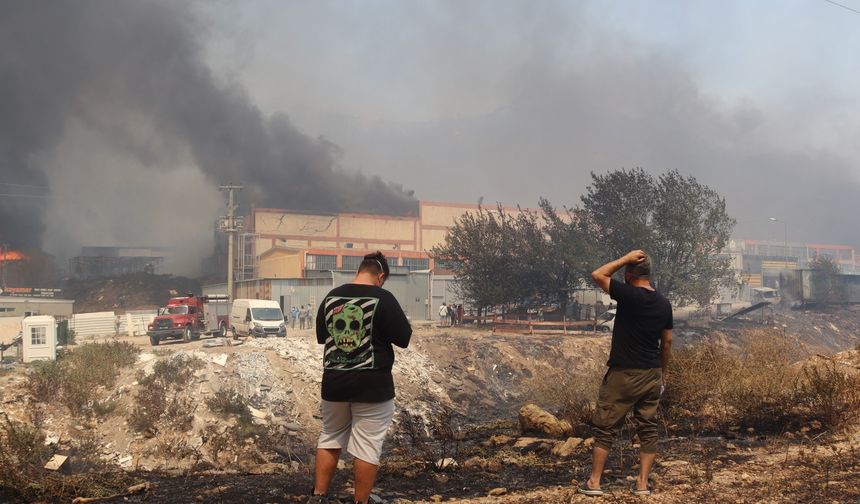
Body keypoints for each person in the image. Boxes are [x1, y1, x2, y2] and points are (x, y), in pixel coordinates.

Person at [309, 251, 412, 504]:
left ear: (359, 270)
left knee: (330, 436)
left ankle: (318, 496)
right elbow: (404, 338)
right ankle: (361, 501)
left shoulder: (332, 297)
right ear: (381, 276)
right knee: (367, 445)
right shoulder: (384, 298)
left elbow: (323, 336)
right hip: (373, 386)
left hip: (334, 382)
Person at [580, 250, 673, 497]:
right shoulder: (664, 304)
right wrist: (660, 374)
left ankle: (594, 482)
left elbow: (597, 274)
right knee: (648, 429)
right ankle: (642, 484)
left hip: (624, 374)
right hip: (652, 373)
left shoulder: (629, 295)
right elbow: (667, 343)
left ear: (629, 274)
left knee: (606, 426)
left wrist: (624, 259)